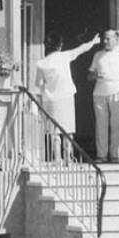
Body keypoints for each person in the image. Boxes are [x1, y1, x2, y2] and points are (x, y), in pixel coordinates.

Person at [32, 30, 99, 163]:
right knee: (68, 129)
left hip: (50, 100)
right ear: (60, 45)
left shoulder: (41, 63)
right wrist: (93, 42)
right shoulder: (64, 56)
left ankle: (57, 158)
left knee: (54, 130)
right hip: (66, 97)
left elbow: (39, 84)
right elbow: (81, 49)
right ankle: (68, 157)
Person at [88, 28, 119, 163]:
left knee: (116, 124)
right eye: (104, 38)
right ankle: (101, 155)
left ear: (116, 39)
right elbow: (89, 75)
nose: (105, 41)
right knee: (101, 125)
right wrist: (95, 75)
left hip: (117, 92)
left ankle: (115, 155)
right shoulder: (98, 55)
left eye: (108, 39)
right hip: (99, 93)